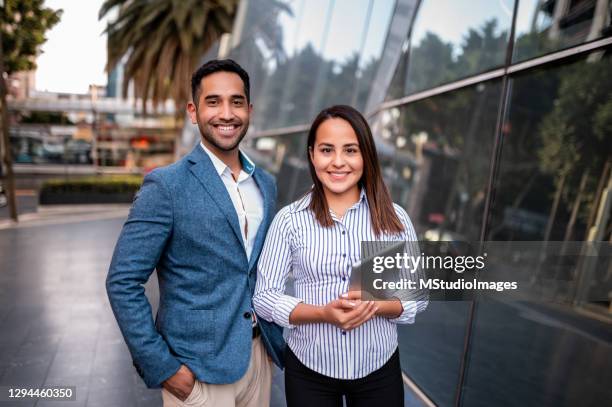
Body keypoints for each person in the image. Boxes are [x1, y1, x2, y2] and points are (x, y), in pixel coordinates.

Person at [106, 59, 284, 407]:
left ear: (249, 109)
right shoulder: (166, 185)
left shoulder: (266, 184)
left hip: (258, 358)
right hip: (196, 372)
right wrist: (163, 366)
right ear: (194, 110)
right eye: (213, 101)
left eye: (236, 102)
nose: (226, 113)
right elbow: (122, 281)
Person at [254, 105, 428, 406]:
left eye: (350, 150)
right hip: (309, 368)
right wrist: (322, 313)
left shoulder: (394, 219)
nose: (338, 162)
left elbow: (417, 295)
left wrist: (376, 305)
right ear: (312, 155)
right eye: (326, 150)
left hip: (378, 367)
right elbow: (265, 297)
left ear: (366, 156)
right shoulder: (289, 220)